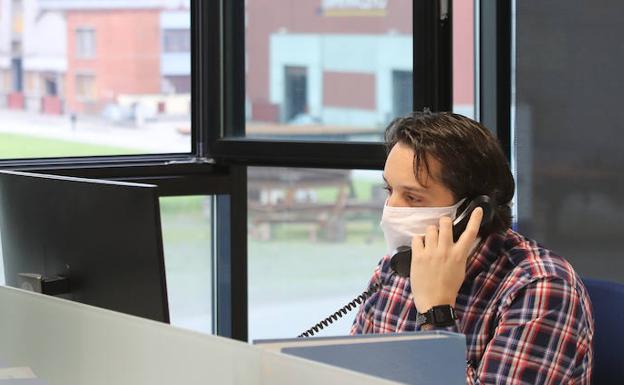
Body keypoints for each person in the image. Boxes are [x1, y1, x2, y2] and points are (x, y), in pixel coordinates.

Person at [350, 111, 594, 385]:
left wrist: (436, 313)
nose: (391, 209)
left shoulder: (541, 288)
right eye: (389, 190)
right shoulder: (396, 267)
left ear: (473, 211)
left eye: (413, 197)